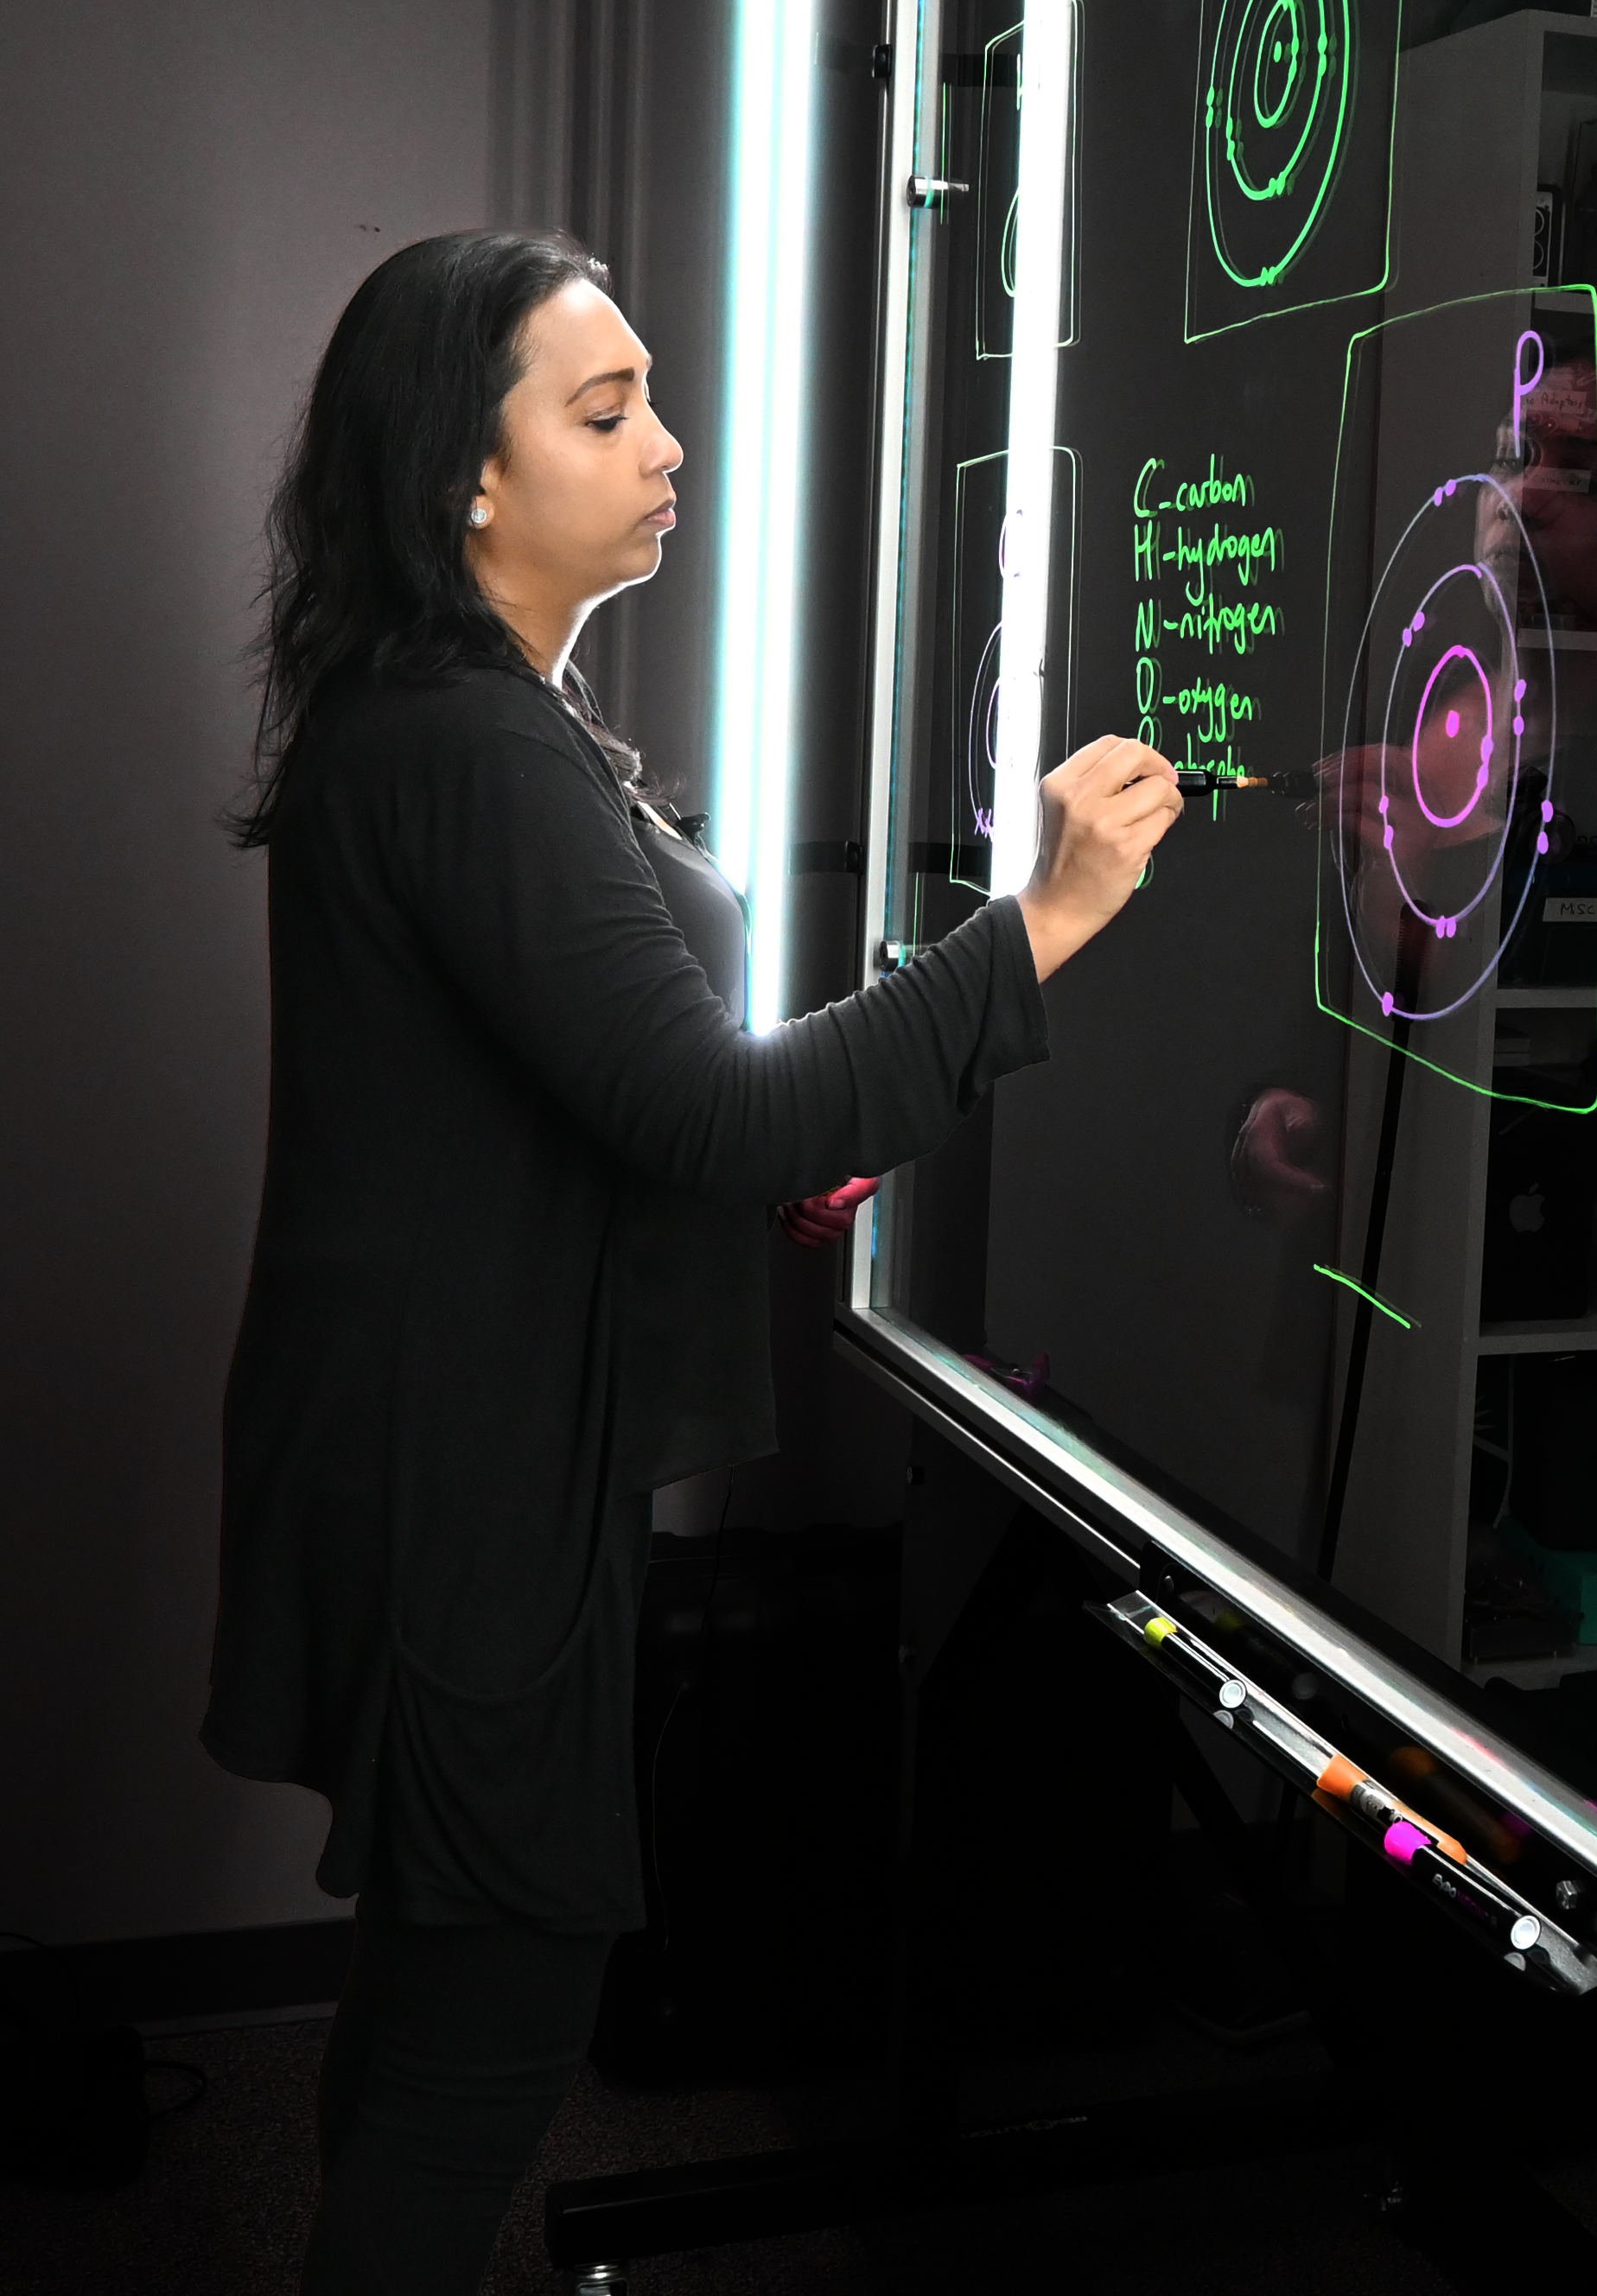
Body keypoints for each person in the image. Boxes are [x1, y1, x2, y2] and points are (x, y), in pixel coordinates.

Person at [199, 230, 1182, 2293]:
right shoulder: (467, 747)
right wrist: (1048, 921)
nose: (666, 442)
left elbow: (588, 1105)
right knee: (487, 2040)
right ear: (466, 477)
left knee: (433, 2002)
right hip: (466, 1489)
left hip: (445, 1455)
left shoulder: (463, 720)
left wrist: (727, 1188)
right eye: (604, 407)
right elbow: (715, 1105)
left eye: (651, 394)